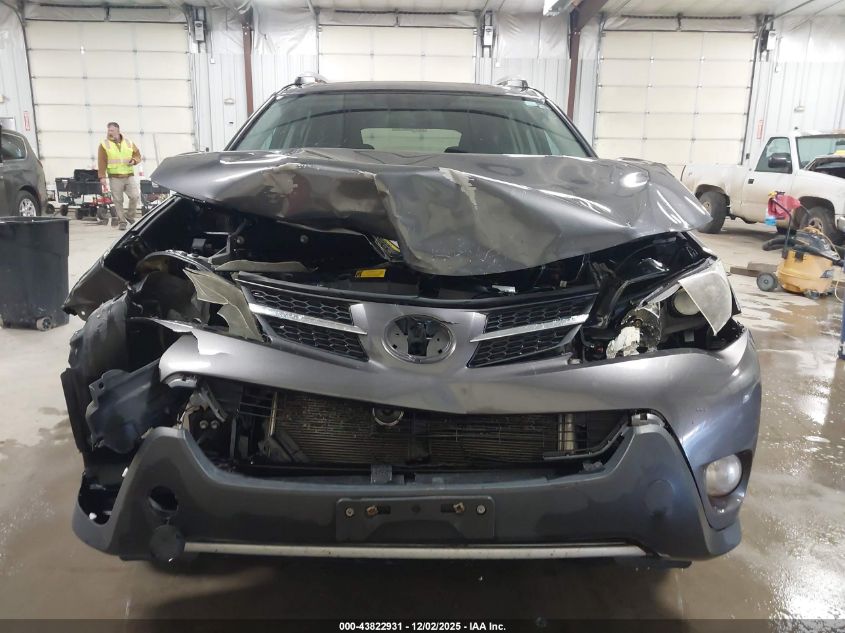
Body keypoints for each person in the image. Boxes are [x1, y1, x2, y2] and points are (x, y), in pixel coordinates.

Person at [98, 122, 141, 230]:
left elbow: (137, 155)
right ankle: (122, 221)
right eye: (109, 130)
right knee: (118, 200)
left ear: (118, 130)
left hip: (128, 175)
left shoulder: (129, 143)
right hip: (114, 177)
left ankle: (129, 216)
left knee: (135, 196)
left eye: (112, 130)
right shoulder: (104, 145)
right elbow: (101, 161)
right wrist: (102, 176)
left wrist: (134, 160)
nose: (110, 132)